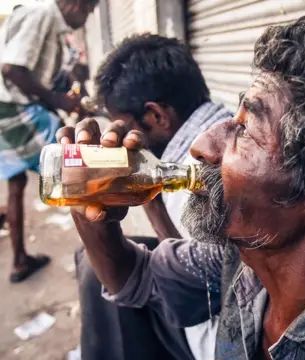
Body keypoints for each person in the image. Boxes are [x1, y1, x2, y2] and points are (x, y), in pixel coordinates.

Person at [60, 16, 305, 360]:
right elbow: (136, 279)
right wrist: (91, 205)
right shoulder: (244, 255)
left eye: (246, 130)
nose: (202, 146)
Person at [74, 34, 232, 360]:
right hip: (205, 286)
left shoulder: (201, 172)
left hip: (214, 335)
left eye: (122, 123)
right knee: (95, 253)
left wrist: (148, 196)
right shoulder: (224, 123)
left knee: (97, 269)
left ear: (156, 116)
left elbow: (196, 295)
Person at [0, 0, 99, 283]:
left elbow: (40, 75)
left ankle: (19, 262)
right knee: (76, 174)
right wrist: (57, 101)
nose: (86, 18)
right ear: (75, 4)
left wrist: (65, 97)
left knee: (16, 185)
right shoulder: (41, 15)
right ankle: (103, 259)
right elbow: (13, 68)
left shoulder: (51, 27)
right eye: (88, 10)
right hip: (5, 107)